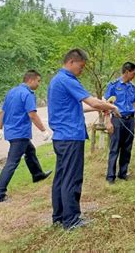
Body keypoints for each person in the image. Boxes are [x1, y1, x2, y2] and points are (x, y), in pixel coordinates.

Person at [48, 49, 120, 230]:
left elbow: (75, 108)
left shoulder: (57, 80)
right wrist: (111, 107)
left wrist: (99, 108)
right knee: (72, 178)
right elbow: (94, 101)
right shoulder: (67, 80)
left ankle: (59, 216)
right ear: (72, 62)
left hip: (61, 137)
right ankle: (71, 220)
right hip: (71, 136)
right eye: (81, 67)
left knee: (62, 178)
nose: (82, 71)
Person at [0, 70, 52, 203]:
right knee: (12, 162)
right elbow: (32, 114)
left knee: (30, 151)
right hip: (20, 133)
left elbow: (3, 111)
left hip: (12, 132)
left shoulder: (12, 92)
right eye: (38, 81)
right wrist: (43, 130)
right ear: (30, 80)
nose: (39, 84)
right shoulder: (27, 94)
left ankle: (37, 175)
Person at [104, 62, 135, 183]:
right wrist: (108, 121)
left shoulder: (132, 87)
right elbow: (106, 104)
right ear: (126, 72)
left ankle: (123, 173)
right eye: (133, 73)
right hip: (117, 120)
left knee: (127, 148)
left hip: (130, 120)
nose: (134, 76)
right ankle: (110, 176)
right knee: (114, 148)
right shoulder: (113, 85)